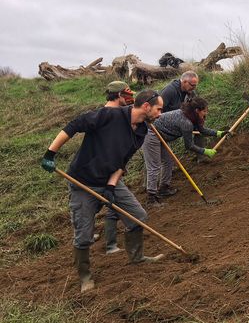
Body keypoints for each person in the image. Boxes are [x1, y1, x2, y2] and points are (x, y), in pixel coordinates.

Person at [40, 90, 165, 293]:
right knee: (84, 234)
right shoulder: (110, 116)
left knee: (138, 216)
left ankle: (137, 257)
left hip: (108, 180)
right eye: (159, 109)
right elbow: (74, 125)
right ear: (146, 106)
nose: (160, 114)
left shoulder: (141, 131)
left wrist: (111, 186)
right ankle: (85, 277)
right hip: (83, 182)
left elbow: (122, 162)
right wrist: (50, 153)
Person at [142, 97, 229, 205]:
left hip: (161, 135)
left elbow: (201, 130)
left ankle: (163, 189)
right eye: (205, 111)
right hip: (151, 133)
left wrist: (218, 133)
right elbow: (189, 146)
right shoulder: (186, 122)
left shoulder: (191, 116)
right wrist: (204, 151)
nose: (206, 113)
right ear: (197, 110)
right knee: (154, 166)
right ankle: (151, 198)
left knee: (168, 161)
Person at [98, 81, 136, 254]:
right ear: (119, 95)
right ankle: (107, 244)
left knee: (113, 204)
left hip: (113, 167)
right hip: (103, 170)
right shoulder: (108, 116)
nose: (130, 99)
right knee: (105, 205)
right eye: (127, 96)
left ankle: (110, 244)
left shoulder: (119, 113)